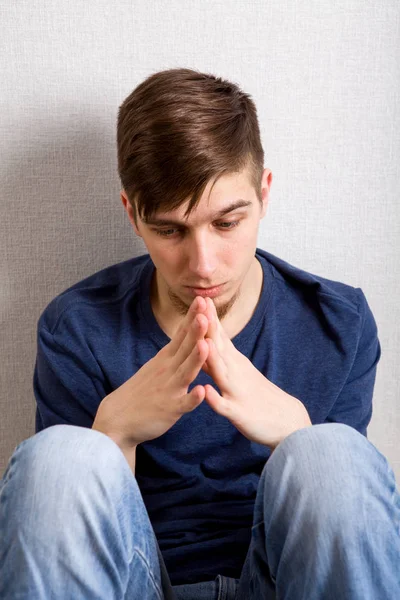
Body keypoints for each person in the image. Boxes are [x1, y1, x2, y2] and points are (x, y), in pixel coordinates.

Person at [0, 67, 399, 600]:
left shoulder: (337, 324)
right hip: (140, 582)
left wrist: (297, 434)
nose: (203, 264)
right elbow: (72, 534)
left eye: (227, 223)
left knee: (332, 457)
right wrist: (114, 433)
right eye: (169, 230)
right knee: (60, 460)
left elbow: (338, 536)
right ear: (132, 215)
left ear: (264, 194)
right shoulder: (78, 328)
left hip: (281, 582)